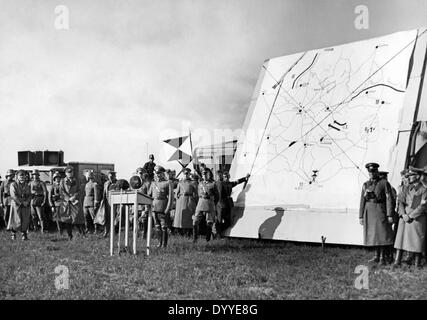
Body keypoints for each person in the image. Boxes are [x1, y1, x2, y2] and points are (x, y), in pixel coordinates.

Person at [359, 162, 394, 264]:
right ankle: (376, 256)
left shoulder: (384, 183)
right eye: (370, 172)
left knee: (382, 234)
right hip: (369, 211)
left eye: (374, 171)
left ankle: (383, 257)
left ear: (377, 171)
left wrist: (389, 214)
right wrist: (361, 216)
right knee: (373, 235)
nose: (372, 174)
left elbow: (389, 199)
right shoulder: (366, 184)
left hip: (380, 210)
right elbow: (362, 200)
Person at [393, 166, 427, 269]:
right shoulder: (407, 188)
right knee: (401, 239)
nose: (409, 177)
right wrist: (403, 214)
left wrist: (411, 216)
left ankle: (417, 263)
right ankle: (397, 261)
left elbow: (423, 206)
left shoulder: (424, 189)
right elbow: (400, 201)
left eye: (411, 175)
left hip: (417, 217)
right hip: (404, 217)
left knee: (417, 240)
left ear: (418, 176)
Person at [215, 171, 250, 238]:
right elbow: (218, 195)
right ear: (223, 177)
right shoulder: (220, 183)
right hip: (221, 204)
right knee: (219, 220)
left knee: (228, 222)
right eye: (225, 176)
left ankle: (217, 232)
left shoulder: (229, 184)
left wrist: (245, 178)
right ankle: (217, 235)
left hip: (228, 204)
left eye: (228, 176)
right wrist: (219, 204)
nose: (226, 178)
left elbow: (237, 182)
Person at [147, 165, 173, 248]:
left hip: (163, 206)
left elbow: (171, 197)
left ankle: (164, 245)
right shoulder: (153, 183)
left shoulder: (167, 183)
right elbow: (149, 195)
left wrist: (168, 208)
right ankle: (159, 243)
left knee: (164, 226)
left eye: (159, 173)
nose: (157, 175)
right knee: (157, 226)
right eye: (155, 173)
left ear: (162, 173)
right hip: (154, 207)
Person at [193, 167, 219, 243]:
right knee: (195, 221)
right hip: (201, 202)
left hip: (209, 203)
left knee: (209, 222)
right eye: (203, 174)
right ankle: (195, 239)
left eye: (206, 173)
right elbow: (198, 194)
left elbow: (217, 196)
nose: (204, 175)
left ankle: (207, 240)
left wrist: (213, 204)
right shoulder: (200, 184)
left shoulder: (213, 184)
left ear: (209, 174)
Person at [59, 166, 84, 239]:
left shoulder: (77, 180)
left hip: (75, 202)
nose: (70, 174)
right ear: (66, 173)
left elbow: (80, 190)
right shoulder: (62, 181)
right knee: (67, 219)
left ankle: (81, 234)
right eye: (68, 172)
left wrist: (75, 196)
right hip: (67, 203)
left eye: (71, 172)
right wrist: (68, 198)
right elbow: (62, 191)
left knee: (77, 218)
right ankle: (70, 235)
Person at [8, 170, 32, 240]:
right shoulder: (13, 184)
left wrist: (27, 202)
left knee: (25, 219)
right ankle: (13, 234)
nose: (22, 177)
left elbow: (29, 195)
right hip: (16, 204)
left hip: (25, 205)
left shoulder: (27, 185)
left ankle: (24, 235)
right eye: (20, 175)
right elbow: (13, 195)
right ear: (17, 177)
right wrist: (21, 203)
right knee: (16, 219)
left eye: (23, 175)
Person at [95, 170, 119, 238]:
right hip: (107, 202)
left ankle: (113, 233)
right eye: (109, 176)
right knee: (106, 217)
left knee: (114, 218)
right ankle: (106, 232)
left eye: (112, 176)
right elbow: (104, 193)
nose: (111, 178)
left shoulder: (117, 183)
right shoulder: (106, 183)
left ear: (115, 176)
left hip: (114, 203)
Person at [174, 168, 197, 236]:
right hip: (181, 201)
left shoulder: (193, 182)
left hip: (190, 200)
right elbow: (176, 194)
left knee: (190, 216)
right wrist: (178, 199)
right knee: (181, 217)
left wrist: (195, 200)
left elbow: (196, 193)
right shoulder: (180, 183)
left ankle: (189, 232)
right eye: (185, 173)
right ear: (183, 174)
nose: (186, 175)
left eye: (188, 173)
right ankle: (181, 232)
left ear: (190, 174)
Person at [29, 170, 48, 234]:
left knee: (41, 216)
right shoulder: (31, 183)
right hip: (32, 200)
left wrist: (44, 201)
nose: (35, 176)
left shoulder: (41, 183)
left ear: (38, 175)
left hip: (39, 200)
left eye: (36, 175)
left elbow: (45, 192)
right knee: (33, 216)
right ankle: (35, 227)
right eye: (34, 175)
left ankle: (43, 229)